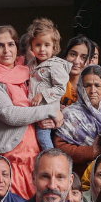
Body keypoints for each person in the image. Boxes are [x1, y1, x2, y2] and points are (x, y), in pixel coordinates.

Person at [0, 26, 63, 199]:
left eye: (11, 44)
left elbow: (49, 97)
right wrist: (50, 111)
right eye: (0, 45)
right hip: (9, 159)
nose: (6, 50)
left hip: (37, 156)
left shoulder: (28, 72)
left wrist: (57, 116)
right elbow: (10, 115)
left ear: (17, 47)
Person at [53, 64, 101, 178]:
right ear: (80, 86)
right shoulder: (70, 114)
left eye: (97, 85)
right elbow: (59, 147)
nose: (92, 90)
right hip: (81, 176)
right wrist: (91, 152)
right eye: (87, 85)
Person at [22, 18, 72, 150]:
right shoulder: (31, 64)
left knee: (43, 138)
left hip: (47, 111)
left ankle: (51, 157)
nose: (42, 49)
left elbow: (61, 87)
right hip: (34, 111)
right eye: (37, 45)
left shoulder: (55, 66)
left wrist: (41, 95)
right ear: (31, 46)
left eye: (47, 45)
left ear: (54, 47)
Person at [60, 35, 95, 105]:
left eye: (83, 57)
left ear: (90, 61)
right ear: (65, 56)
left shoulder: (93, 87)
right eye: (73, 54)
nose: (76, 61)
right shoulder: (54, 81)